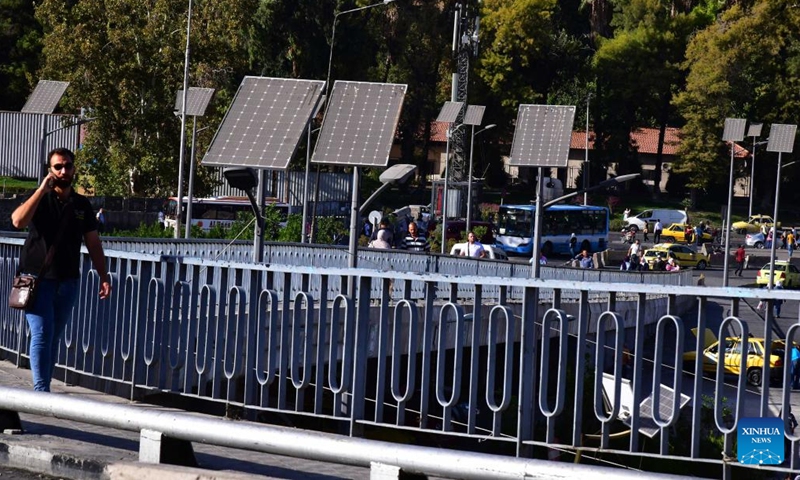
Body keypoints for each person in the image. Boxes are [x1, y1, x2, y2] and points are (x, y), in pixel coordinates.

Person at [10, 147, 111, 392]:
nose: (63, 171)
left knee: (53, 337)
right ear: (49, 170)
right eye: (58, 167)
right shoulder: (40, 199)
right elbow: (17, 221)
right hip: (36, 279)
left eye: (67, 166)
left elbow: (93, 242)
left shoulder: (81, 205)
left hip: (67, 281)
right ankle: (41, 391)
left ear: (74, 169)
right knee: (42, 334)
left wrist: (103, 275)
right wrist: (40, 190)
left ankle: (43, 389)